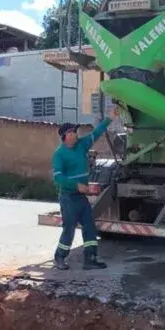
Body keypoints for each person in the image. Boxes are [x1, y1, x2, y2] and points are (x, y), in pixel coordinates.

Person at [52, 105, 118, 271]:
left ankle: (90, 258)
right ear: (65, 136)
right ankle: (60, 257)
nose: (76, 134)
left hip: (81, 198)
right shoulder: (59, 154)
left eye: (76, 131)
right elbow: (58, 177)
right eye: (73, 132)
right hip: (68, 198)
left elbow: (96, 133)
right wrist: (76, 185)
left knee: (89, 226)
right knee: (69, 229)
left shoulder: (81, 145)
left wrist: (109, 118)